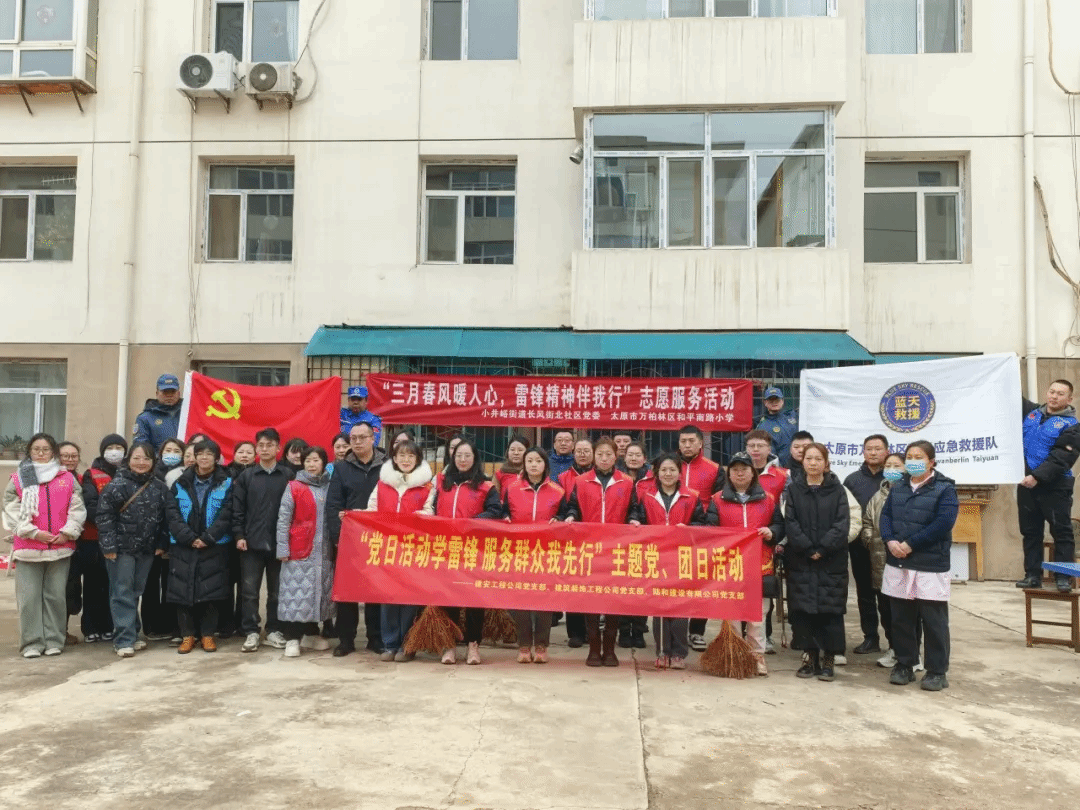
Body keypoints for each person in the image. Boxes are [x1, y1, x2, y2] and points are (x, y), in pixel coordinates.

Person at [880, 441, 959, 691]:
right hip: (899, 561)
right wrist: (890, 540)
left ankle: (937, 671)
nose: (913, 461)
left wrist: (911, 544)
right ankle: (905, 664)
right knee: (901, 617)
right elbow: (886, 516)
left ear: (931, 462)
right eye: (910, 457)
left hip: (930, 563)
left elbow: (943, 523)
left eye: (919, 457)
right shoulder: (899, 487)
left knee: (933, 620)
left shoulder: (945, 489)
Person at [3, 433, 86, 658]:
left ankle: (53, 640)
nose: (41, 453)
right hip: (28, 548)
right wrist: (33, 532)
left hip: (59, 548)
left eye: (46, 449)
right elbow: (10, 509)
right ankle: (31, 642)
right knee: (29, 598)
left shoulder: (67, 478)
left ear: (53, 452)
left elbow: (77, 508)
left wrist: (67, 532)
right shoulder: (19, 478)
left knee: (55, 597)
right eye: (36, 449)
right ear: (30, 452)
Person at [706, 452, 783, 676]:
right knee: (731, 614)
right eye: (735, 470)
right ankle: (735, 655)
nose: (740, 473)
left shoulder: (767, 499)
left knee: (757, 615)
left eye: (744, 469)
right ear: (729, 474)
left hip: (759, 565)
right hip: (730, 566)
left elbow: (779, 525)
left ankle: (757, 655)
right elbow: (710, 530)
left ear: (753, 473)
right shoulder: (717, 499)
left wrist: (771, 532)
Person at [564, 437, 638, 667]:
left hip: (617, 548)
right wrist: (571, 516)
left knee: (614, 598)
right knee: (592, 597)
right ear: (594, 457)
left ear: (616, 456)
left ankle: (610, 649)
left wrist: (634, 519)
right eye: (600, 454)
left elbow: (634, 508)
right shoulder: (581, 481)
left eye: (609, 454)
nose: (604, 458)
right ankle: (594, 649)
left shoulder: (627, 482)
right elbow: (573, 506)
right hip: (590, 548)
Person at [97, 441, 170, 658]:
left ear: (153, 462)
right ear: (128, 460)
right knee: (122, 592)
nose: (141, 462)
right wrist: (109, 546)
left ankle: (133, 633)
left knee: (136, 591)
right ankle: (123, 639)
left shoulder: (159, 487)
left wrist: (161, 544)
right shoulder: (116, 486)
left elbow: (166, 519)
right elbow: (104, 517)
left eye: (146, 458)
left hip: (147, 549)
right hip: (121, 549)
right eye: (136, 458)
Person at [631, 453, 705, 670]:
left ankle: (679, 653)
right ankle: (662, 651)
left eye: (672, 469)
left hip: (682, 557)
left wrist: (689, 529)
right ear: (656, 473)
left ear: (679, 473)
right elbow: (638, 518)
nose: (668, 474)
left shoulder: (691, 496)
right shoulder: (647, 496)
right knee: (660, 606)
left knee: (680, 607)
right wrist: (635, 521)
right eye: (663, 470)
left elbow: (703, 523)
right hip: (657, 556)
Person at [783, 442, 850, 682]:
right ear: (802, 462)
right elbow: (790, 522)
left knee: (830, 611)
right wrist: (808, 548)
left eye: (818, 459)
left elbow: (842, 523)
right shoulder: (794, 490)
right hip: (801, 560)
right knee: (804, 611)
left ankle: (829, 660)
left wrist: (822, 548)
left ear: (826, 463)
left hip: (831, 560)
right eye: (809, 458)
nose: (813, 463)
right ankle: (809, 658)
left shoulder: (837, 490)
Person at [365, 438, 436, 661]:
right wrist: (352, 516)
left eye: (410, 456)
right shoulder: (382, 484)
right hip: (387, 548)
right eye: (401, 455)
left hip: (413, 549)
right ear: (394, 459)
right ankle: (390, 644)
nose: (406, 460)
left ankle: (407, 644)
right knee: (388, 596)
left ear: (418, 459)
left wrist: (418, 518)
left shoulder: (427, 487)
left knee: (409, 597)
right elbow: (371, 510)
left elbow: (430, 511)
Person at [433, 438, 502, 665]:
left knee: (474, 598)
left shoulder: (485, 486)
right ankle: (450, 644)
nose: (462, 460)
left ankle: (473, 644)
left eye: (467, 456)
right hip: (446, 548)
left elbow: (495, 511)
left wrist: (472, 523)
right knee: (448, 597)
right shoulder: (442, 482)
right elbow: (431, 508)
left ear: (475, 459)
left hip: (474, 549)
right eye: (459, 455)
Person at [165, 438, 233, 654]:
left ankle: (207, 635)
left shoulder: (227, 483)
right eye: (200, 453)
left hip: (214, 545)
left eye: (209, 454)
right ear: (194, 457)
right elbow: (172, 513)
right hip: (183, 545)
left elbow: (227, 514)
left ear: (217, 458)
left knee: (211, 590)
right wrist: (188, 537)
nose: (204, 458)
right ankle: (187, 636)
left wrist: (208, 537)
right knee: (182, 590)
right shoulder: (180, 482)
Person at [326, 422, 387, 657]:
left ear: (373, 439)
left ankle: (375, 638)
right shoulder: (341, 468)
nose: (358, 442)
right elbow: (333, 504)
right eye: (353, 438)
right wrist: (337, 536)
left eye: (362, 437)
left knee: (376, 589)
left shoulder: (387, 466)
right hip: (349, 538)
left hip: (379, 538)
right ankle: (346, 640)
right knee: (347, 589)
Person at [232, 428, 295, 653]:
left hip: (280, 543)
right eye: (261, 445)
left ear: (279, 448)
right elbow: (237, 509)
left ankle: (273, 630)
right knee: (249, 591)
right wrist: (239, 535)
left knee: (277, 591)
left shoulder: (288, 475)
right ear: (256, 449)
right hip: (251, 543)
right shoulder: (247, 476)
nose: (265, 449)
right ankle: (250, 631)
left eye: (270, 445)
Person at [502, 447, 566, 664]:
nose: (533, 465)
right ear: (524, 464)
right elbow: (503, 511)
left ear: (545, 464)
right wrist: (505, 518)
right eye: (529, 461)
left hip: (546, 553)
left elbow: (566, 514)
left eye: (538, 460)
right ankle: (523, 645)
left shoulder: (557, 491)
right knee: (520, 599)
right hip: (518, 551)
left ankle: (541, 645)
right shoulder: (512, 488)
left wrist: (560, 519)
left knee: (544, 601)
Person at [1017, 380, 1080, 592]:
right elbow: (1012, 396)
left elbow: (1062, 457)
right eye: (1052, 391)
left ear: (1069, 399)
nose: (1054, 396)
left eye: (1060, 394)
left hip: (1055, 486)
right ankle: (1032, 576)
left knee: (1061, 532)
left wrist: (1037, 476)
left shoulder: (1072, 425)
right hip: (1027, 485)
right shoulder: (1031, 413)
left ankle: (1063, 578)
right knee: (1030, 532)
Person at [276, 446, 337, 658]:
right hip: (300, 550)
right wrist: (282, 547)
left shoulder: (330, 486)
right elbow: (283, 519)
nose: (311, 464)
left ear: (324, 463)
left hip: (324, 551)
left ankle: (310, 634)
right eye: (308, 460)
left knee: (318, 594)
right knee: (296, 595)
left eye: (316, 460)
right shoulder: (294, 486)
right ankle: (292, 638)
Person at [76, 434, 127, 643]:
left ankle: (109, 625)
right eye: (110, 447)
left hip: (122, 539)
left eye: (119, 447)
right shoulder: (92, 474)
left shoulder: (129, 472)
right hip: (94, 539)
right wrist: (110, 522)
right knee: (93, 584)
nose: (114, 451)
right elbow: (89, 506)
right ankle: (90, 627)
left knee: (113, 586)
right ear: (103, 451)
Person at [844, 434, 890, 655]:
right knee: (864, 593)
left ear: (887, 451)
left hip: (887, 548)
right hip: (860, 546)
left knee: (888, 594)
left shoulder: (893, 479)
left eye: (878, 449)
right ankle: (870, 637)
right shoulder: (852, 480)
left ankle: (895, 641)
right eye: (869, 449)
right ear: (863, 452)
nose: (873, 452)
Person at [678, 425, 722, 652]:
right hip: (673, 533)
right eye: (683, 441)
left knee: (700, 585)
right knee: (675, 583)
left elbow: (720, 500)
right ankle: (675, 630)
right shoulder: (669, 466)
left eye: (691, 441)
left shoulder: (714, 469)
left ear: (700, 443)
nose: (687, 445)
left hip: (702, 534)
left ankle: (697, 631)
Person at [860, 453, 906, 669]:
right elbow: (867, 521)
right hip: (880, 559)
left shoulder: (911, 493)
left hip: (906, 558)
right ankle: (893, 648)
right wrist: (870, 539)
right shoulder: (878, 496)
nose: (892, 469)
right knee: (886, 608)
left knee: (906, 609)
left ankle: (909, 651)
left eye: (897, 465)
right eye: (889, 466)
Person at [143, 439, 185, 644]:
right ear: (160, 453)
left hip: (175, 537)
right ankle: (151, 626)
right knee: (150, 583)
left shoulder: (184, 474)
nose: (172, 453)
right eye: (168, 450)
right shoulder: (151, 473)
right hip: (152, 537)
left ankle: (170, 624)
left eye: (177, 450)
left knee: (171, 583)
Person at [559, 436, 594, 648]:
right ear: (573, 452)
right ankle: (575, 632)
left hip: (596, 538)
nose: (582, 454)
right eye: (579, 451)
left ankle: (592, 631)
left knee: (593, 586)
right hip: (571, 536)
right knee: (573, 585)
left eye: (586, 451)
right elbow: (559, 503)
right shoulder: (563, 477)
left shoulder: (598, 476)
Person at [618, 440, 651, 649]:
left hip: (645, 540)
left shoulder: (653, 480)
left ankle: (638, 630)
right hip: (620, 539)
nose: (633, 458)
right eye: (630, 454)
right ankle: (623, 630)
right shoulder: (618, 478)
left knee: (642, 587)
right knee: (622, 587)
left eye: (638, 455)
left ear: (644, 458)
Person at [58, 441, 82, 644]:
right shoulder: (47, 478)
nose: (69, 459)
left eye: (73, 456)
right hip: (51, 540)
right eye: (65, 455)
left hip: (74, 541)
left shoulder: (80, 480)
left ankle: (62, 630)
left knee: (70, 588)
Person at [133, 373, 184, 452]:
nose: (169, 395)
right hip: (157, 459)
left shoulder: (188, 414)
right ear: (157, 394)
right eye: (165, 392)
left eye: (172, 392)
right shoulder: (145, 418)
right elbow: (141, 448)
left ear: (179, 393)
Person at [756, 386, 799, 468]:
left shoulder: (793, 416)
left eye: (777, 400)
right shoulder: (763, 426)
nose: (774, 403)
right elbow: (768, 454)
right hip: (781, 468)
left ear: (782, 401)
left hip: (801, 465)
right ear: (765, 402)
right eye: (771, 400)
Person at [745, 430, 787, 502]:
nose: (755, 449)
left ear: (769, 449)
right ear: (746, 448)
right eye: (751, 446)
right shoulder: (737, 473)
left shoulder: (784, 475)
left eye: (760, 446)